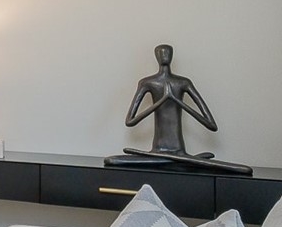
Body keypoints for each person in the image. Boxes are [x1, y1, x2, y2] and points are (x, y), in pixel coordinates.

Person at [106, 44, 252, 175]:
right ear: (156, 56)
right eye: (161, 53)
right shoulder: (147, 82)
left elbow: (211, 125)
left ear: (172, 55)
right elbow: (130, 121)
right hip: (157, 152)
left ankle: (175, 159)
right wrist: (162, 100)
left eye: (167, 52)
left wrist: (176, 100)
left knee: (245, 170)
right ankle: (176, 159)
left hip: (179, 151)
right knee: (111, 161)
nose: (164, 56)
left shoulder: (183, 82)